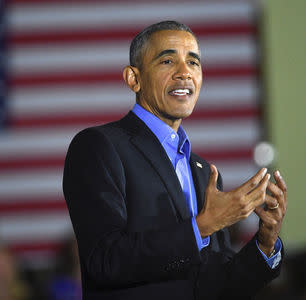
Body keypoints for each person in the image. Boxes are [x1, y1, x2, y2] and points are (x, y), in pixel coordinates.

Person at [62, 21, 287, 300]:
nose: (184, 73)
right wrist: (202, 226)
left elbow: (222, 286)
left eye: (193, 63)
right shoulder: (99, 147)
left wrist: (266, 243)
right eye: (168, 61)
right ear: (134, 78)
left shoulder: (203, 172)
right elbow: (106, 260)